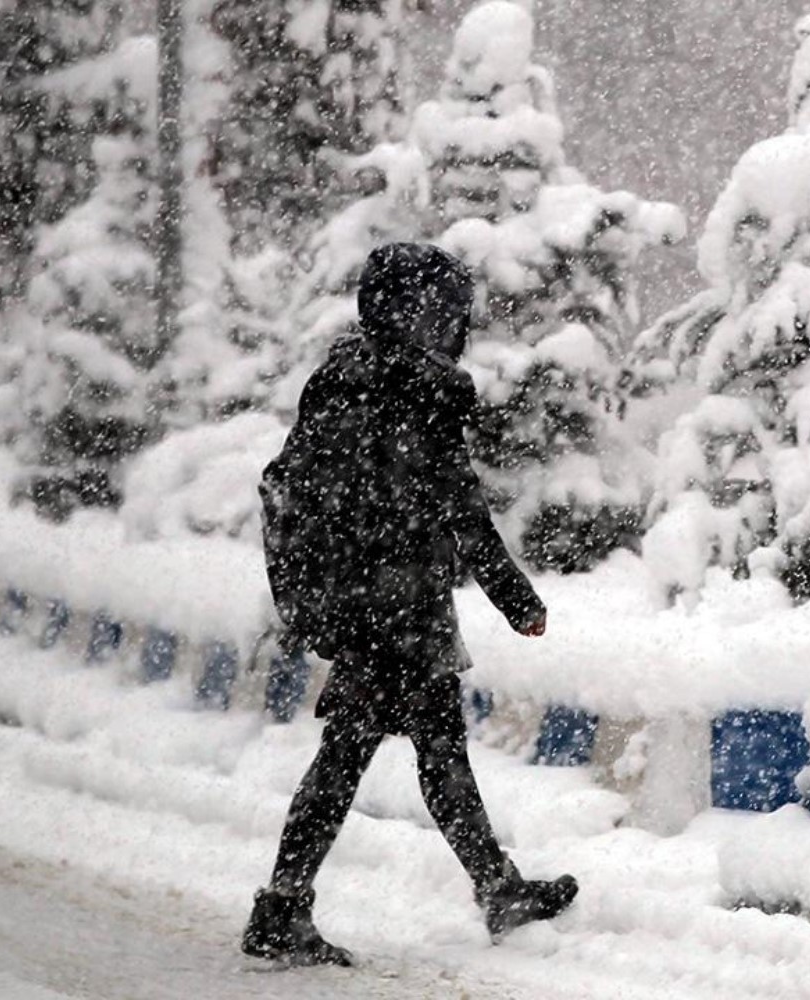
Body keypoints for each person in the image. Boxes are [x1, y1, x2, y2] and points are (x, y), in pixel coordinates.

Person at [243, 242, 577, 967]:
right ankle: (287, 905)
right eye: (446, 311)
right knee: (391, 755)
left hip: (362, 605)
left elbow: (298, 487)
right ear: (419, 313)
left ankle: (489, 888)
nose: (454, 324)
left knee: (403, 750)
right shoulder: (416, 391)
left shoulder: (341, 379)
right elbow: (462, 510)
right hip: (395, 610)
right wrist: (518, 600)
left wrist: (322, 594)